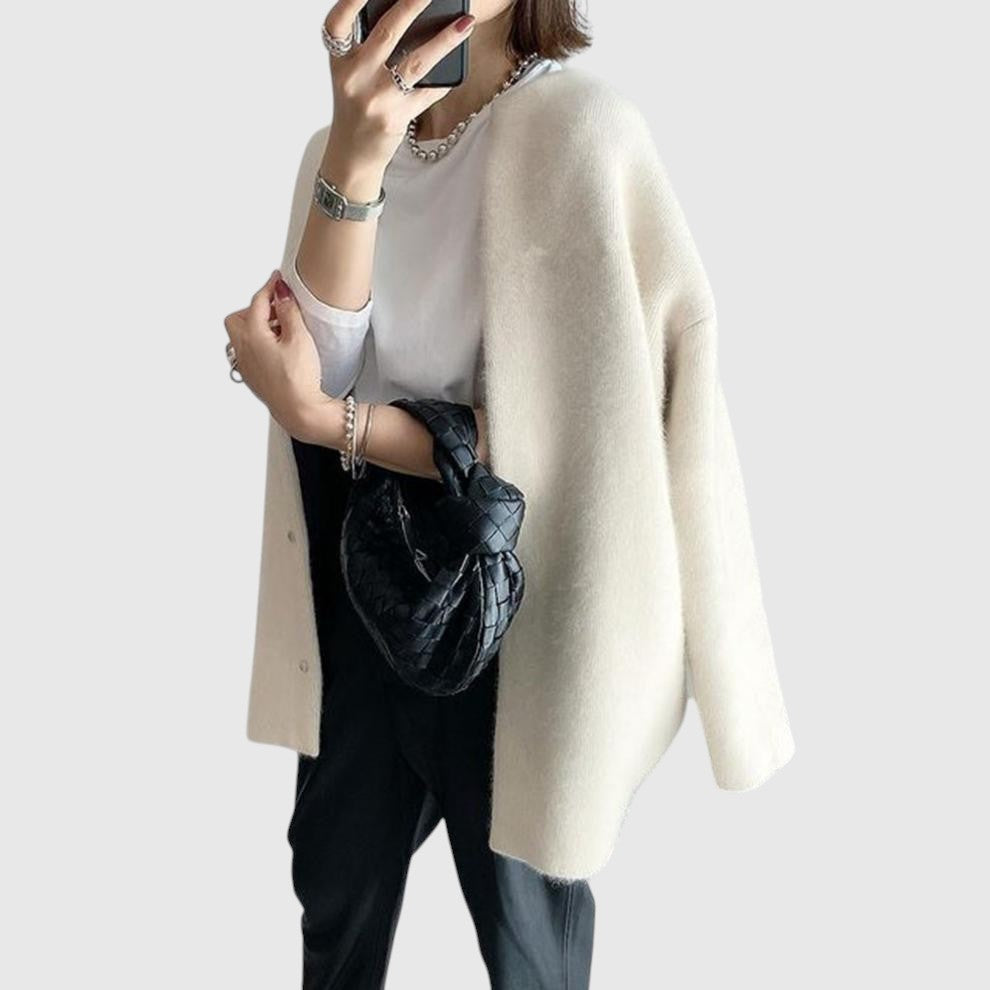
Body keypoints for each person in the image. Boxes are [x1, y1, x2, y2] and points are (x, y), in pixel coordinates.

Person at [223, 0, 795, 987]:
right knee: (334, 903)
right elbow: (314, 375)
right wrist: (356, 159)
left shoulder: (583, 136)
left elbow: (571, 440)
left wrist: (337, 421)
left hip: (521, 609)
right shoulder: (338, 146)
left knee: (528, 945)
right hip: (367, 581)